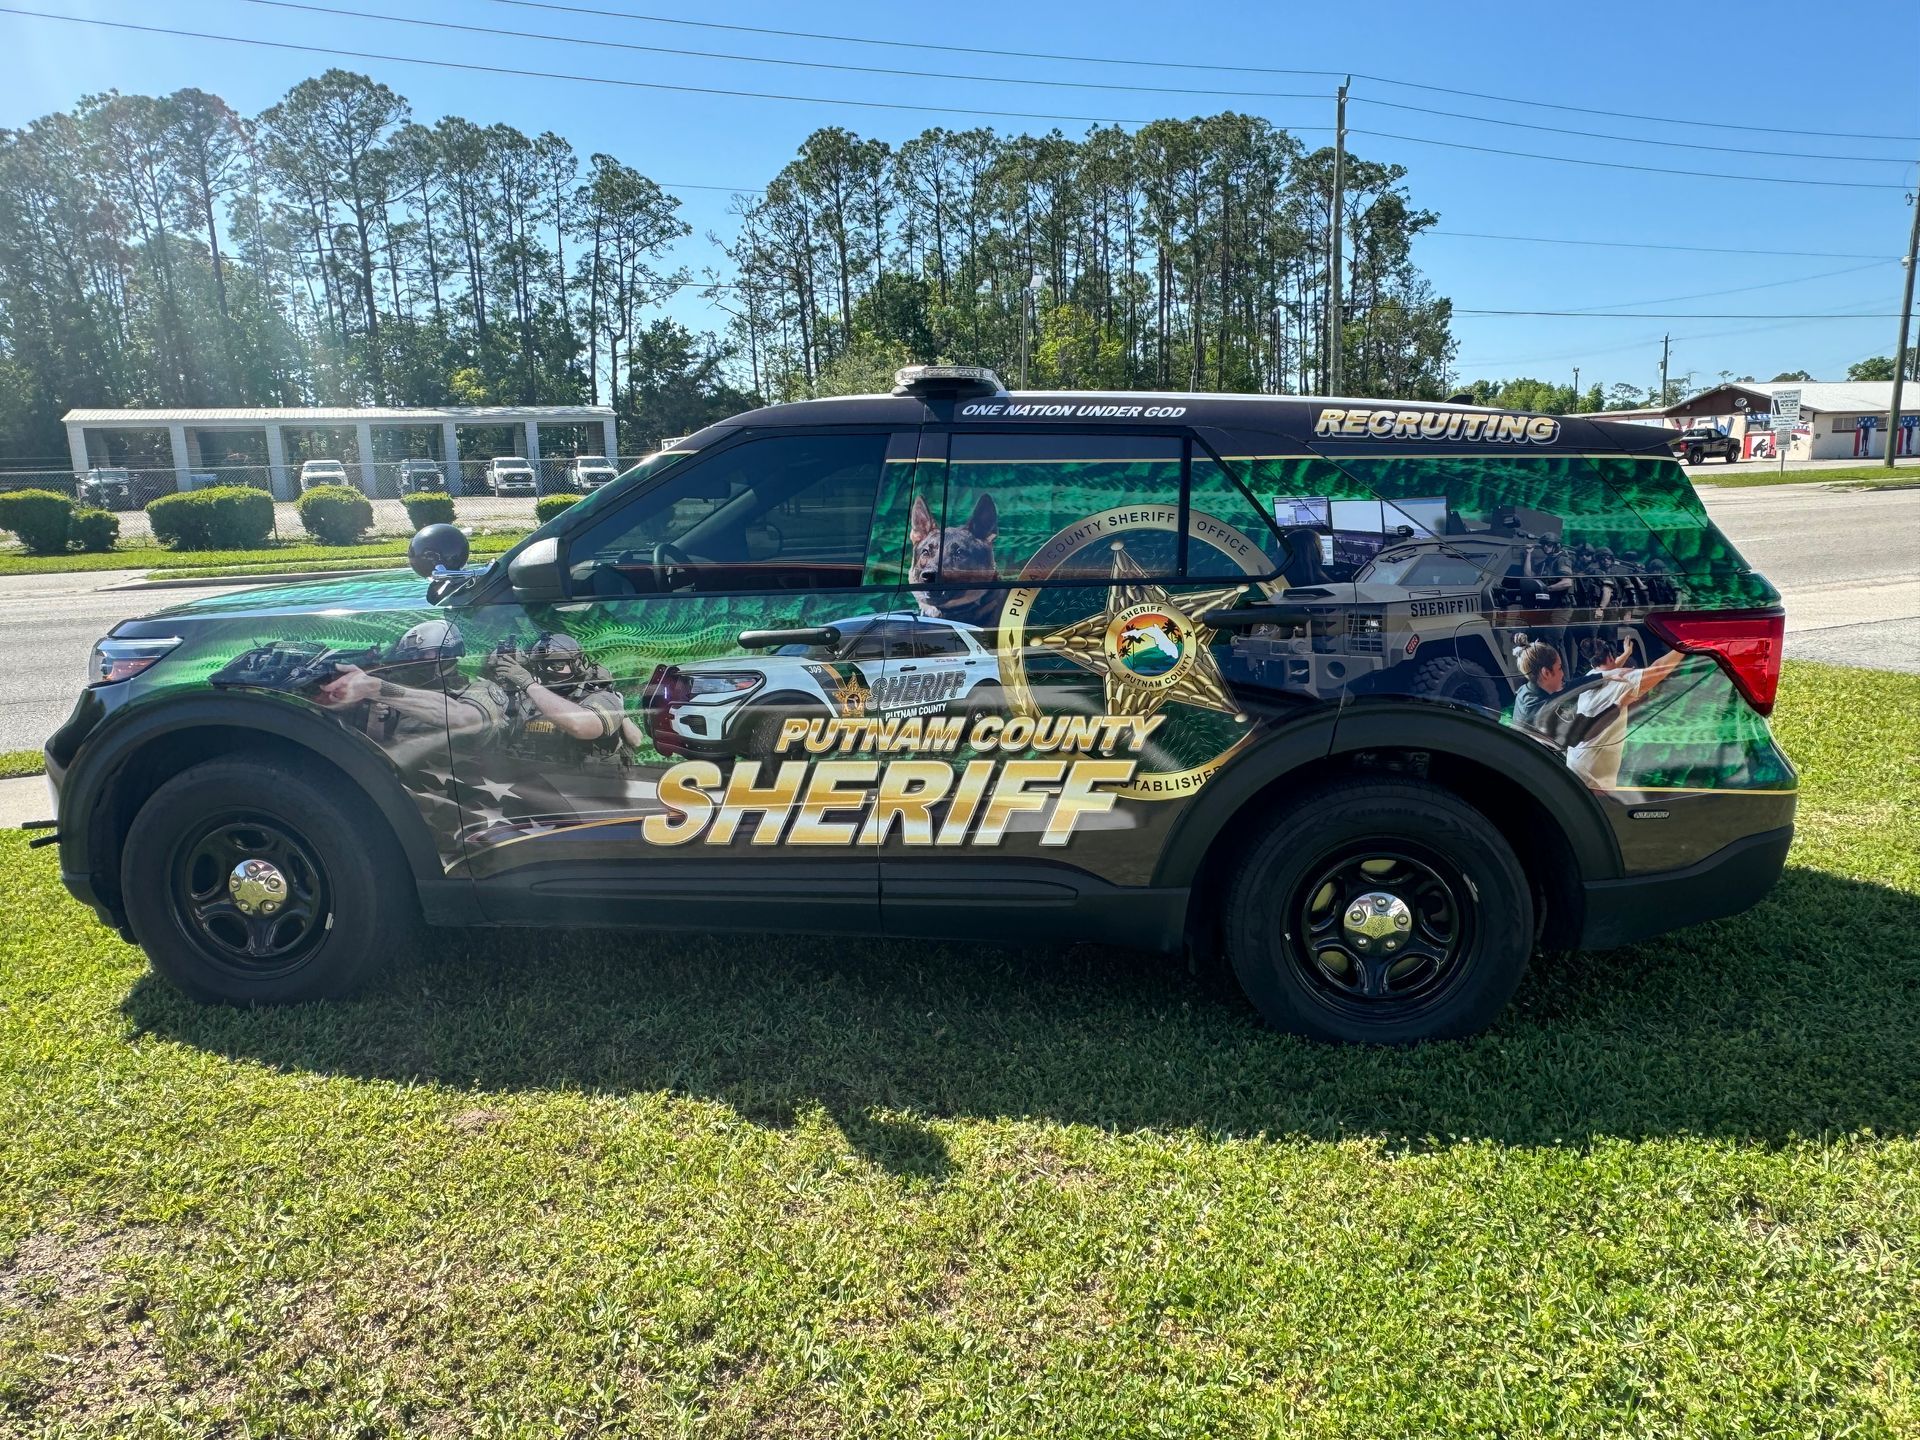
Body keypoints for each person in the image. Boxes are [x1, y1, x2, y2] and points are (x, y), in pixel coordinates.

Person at [485, 631, 640, 766]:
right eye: (542, 666)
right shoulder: (530, 698)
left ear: (577, 664)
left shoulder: (603, 697)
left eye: (557, 665)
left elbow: (579, 726)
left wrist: (528, 683)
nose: (548, 671)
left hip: (589, 790)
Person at [1559, 640, 1686, 789]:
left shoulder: (1593, 675)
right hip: (1593, 769)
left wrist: (1626, 654)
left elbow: (1611, 667)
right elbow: (1658, 669)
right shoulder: (1624, 682)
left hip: (1575, 760)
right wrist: (1684, 646)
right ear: (1611, 657)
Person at [1510, 641, 1564, 735]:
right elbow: (1573, 735)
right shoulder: (1543, 711)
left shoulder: (1525, 689)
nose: (1563, 674)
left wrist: (1597, 677)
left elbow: (1568, 685)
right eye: (1559, 668)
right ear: (1546, 673)